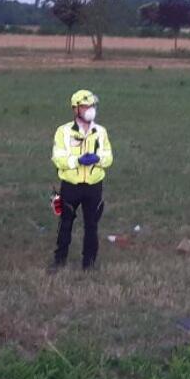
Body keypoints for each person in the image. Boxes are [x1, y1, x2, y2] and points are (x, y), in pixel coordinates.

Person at [49, 89, 114, 272]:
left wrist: (97, 159)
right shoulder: (63, 132)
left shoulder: (101, 132)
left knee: (92, 225)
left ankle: (89, 263)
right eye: (86, 106)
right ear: (76, 109)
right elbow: (58, 158)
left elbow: (108, 157)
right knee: (65, 223)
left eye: (92, 105)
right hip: (71, 186)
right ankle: (59, 260)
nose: (90, 109)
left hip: (94, 186)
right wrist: (77, 161)